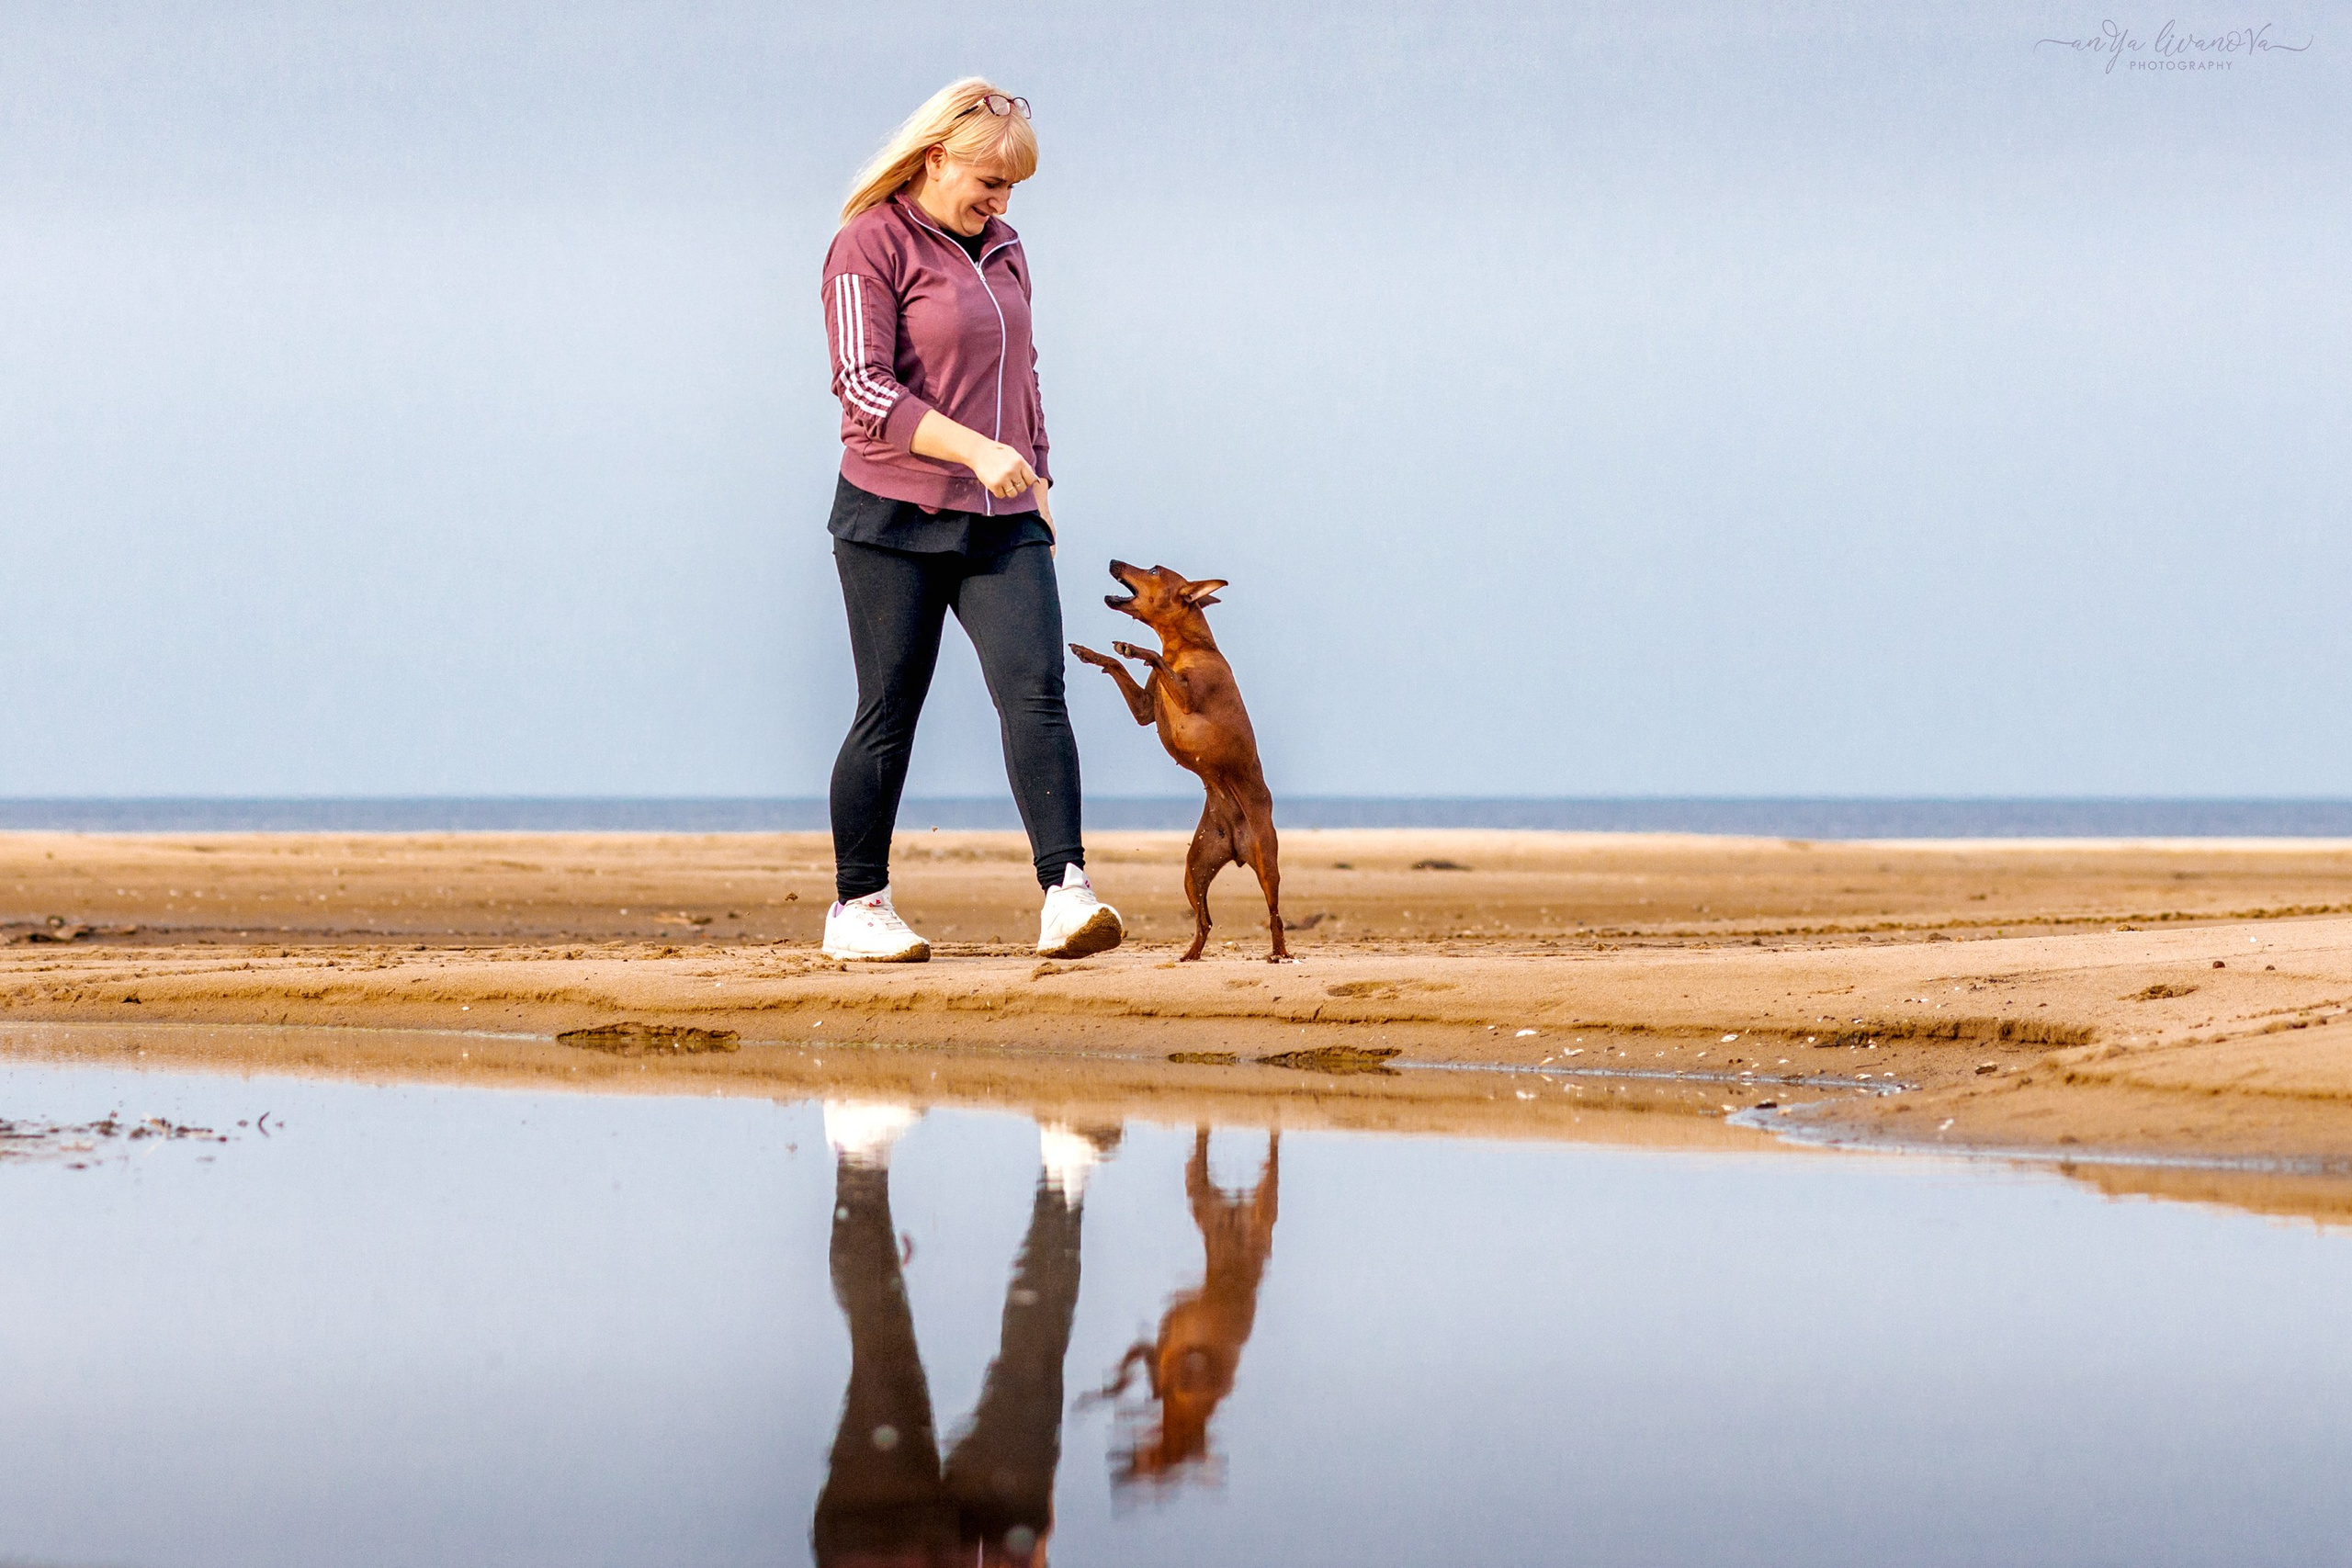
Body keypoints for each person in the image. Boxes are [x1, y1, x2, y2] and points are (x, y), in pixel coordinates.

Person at [818, 78, 1121, 964]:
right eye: (989, 181)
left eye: (1012, 187)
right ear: (934, 155)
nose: (1001, 201)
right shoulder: (864, 245)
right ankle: (857, 906)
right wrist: (974, 450)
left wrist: (1037, 471)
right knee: (890, 708)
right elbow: (863, 387)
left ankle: (1066, 893)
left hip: (1002, 516)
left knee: (1038, 694)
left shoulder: (1008, 248)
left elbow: (1022, 370)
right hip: (890, 517)